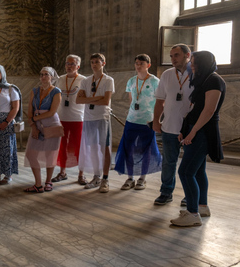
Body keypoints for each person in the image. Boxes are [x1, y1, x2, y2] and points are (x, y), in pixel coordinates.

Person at [171, 51, 226, 227]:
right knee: (198, 171)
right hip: (194, 129)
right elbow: (194, 109)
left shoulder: (214, 80)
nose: (191, 66)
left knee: (185, 172)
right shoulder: (203, 80)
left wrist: (193, 132)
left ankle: (192, 213)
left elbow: (209, 111)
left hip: (202, 132)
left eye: (194, 63)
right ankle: (202, 206)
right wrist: (184, 129)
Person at [153, 44, 193, 206]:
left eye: (176, 55)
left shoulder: (196, 73)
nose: (173, 59)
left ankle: (189, 194)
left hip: (190, 128)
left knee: (190, 164)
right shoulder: (167, 74)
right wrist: (156, 120)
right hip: (169, 126)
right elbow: (160, 100)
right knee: (169, 161)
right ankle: (166, 191)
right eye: (171, 56)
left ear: (187, 55)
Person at [115, 54, 162, 190]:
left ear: (148, 65)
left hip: (147, 121)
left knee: (145, 150)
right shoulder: (131, 81)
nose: (138, 65)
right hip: (132, 120)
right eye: (136, 63)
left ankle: (142, 178)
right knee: (128, 149)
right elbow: (131, 99)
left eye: (141, 63)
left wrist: (157, 119)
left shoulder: (154, 81)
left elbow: (160, 101)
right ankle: (130, 178)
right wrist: (132, 113)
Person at [76, 53, 114, 193]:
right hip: (89, 118)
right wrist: (96, 98)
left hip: (102, 117)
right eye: (92, 62)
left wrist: (89, 99)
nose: (94, 64)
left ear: (103, 63)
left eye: (97, 62)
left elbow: (105, 101)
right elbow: (78, 101)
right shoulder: (86, 81)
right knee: (92, 148)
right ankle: (96, 176)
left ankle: (105, 178)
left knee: (105, 148)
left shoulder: (108, 80)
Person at [24, 67, 62, 193]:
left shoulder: (56, 91)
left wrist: (35, 118)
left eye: (46, 74)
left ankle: (48, 181)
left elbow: (52, 112)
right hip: (37, 124)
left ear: (51, 77)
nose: (43, 77)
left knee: (50, 154)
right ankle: (38, 184)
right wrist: (33, 125)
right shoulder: (34, 91)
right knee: (30, 153)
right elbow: (30, 109)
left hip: (51, 124)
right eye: (41, 75)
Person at [51, 55, 87, 185]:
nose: (69, 66)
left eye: (72, 64)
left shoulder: (84, 80)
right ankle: (62, 172)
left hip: (78, 118)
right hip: (61, 118)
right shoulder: (59, 79)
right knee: (62, 147)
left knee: (79, 147)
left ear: (78, 66)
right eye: (67, 63)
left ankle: (81, 174)